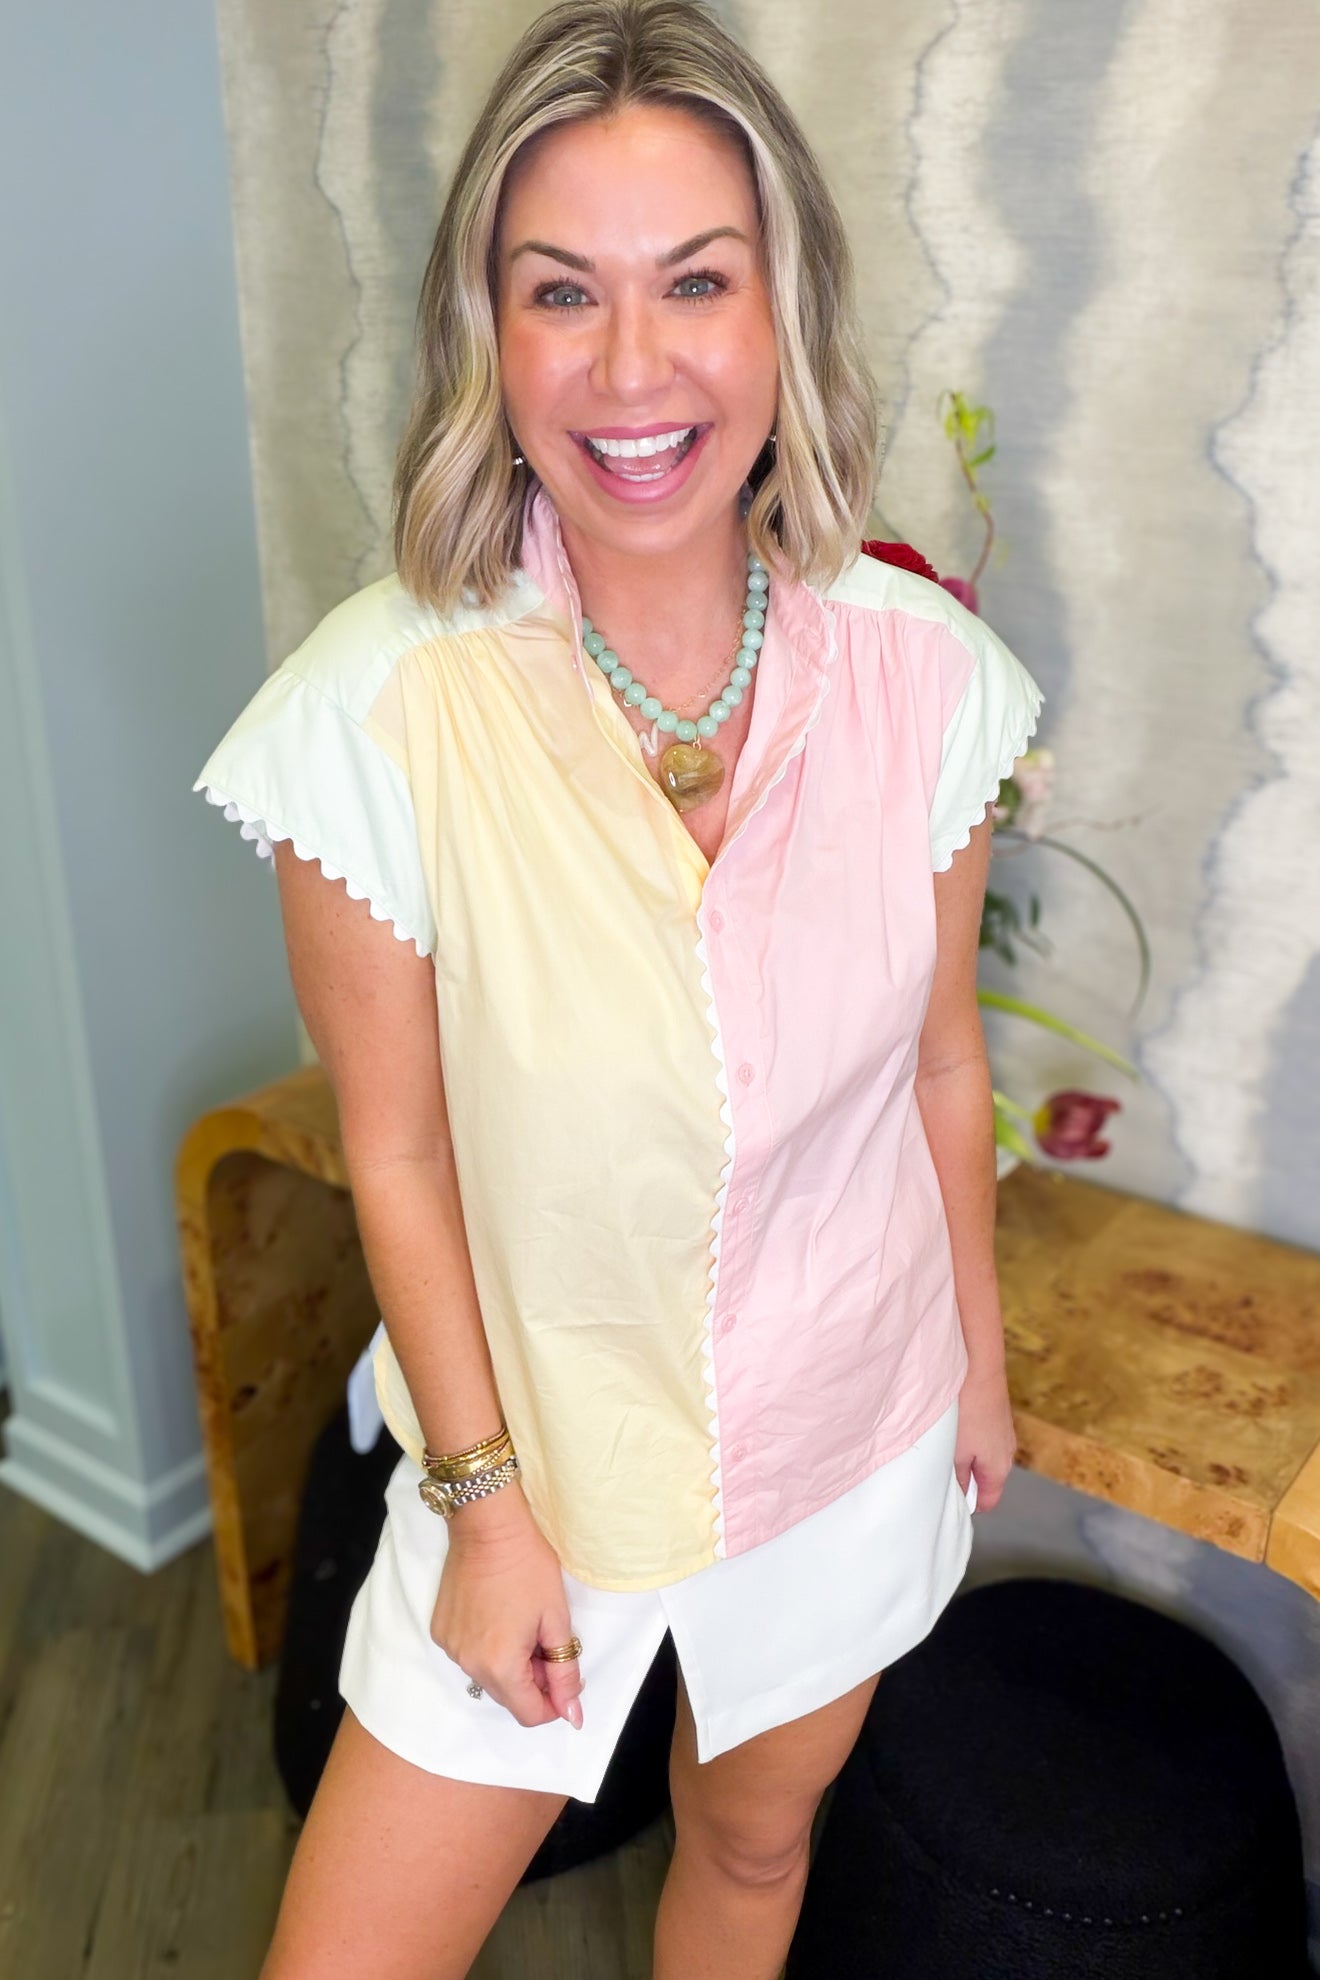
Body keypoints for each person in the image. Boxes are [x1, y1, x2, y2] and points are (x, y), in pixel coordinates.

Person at [193, 3, 1042, 1973]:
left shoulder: (927, 679)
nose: (634, 365)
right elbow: (398, 1153)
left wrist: (977, 1361)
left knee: (753, 1849)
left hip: (852, 1421)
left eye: (698, 283)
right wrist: (487, 1514)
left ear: (783, 311)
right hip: (541, 1466)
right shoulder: (373, 716)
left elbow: (940, 1066)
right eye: (563, 290)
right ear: (486, 332)